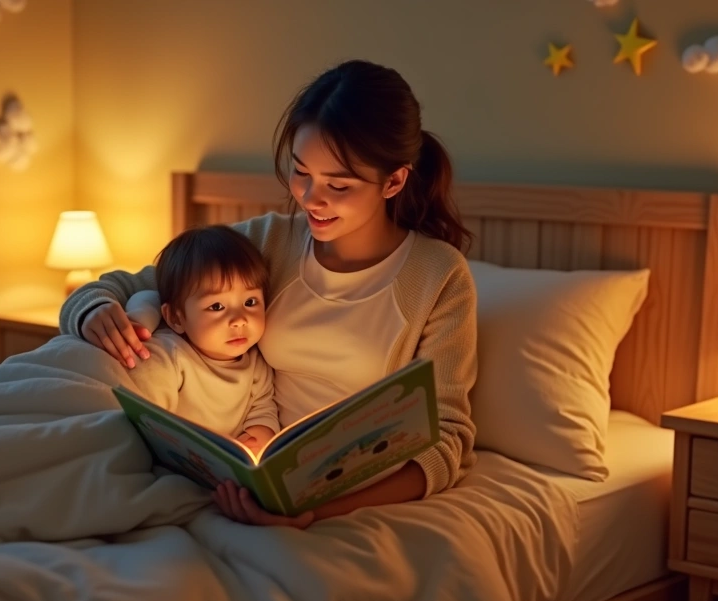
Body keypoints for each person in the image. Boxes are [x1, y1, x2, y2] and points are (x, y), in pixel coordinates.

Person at [62, 59, 478, 529]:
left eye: (338, 185)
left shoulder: (439, 276)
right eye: (301, 173)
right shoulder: (268, 242)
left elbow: (448, 439)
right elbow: (123, 286)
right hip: (246, 467)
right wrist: (93, 310)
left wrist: (314, 512)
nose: (311, 199)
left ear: (394, 181)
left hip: (341, 492)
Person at [120, 225, 280, 454]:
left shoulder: (256, 363)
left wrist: (260, 434)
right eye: (217, 307)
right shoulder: (168, 357)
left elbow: (263, 407)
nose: (239, 320)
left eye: (250, 302)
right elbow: (146, 420)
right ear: (176, 318)